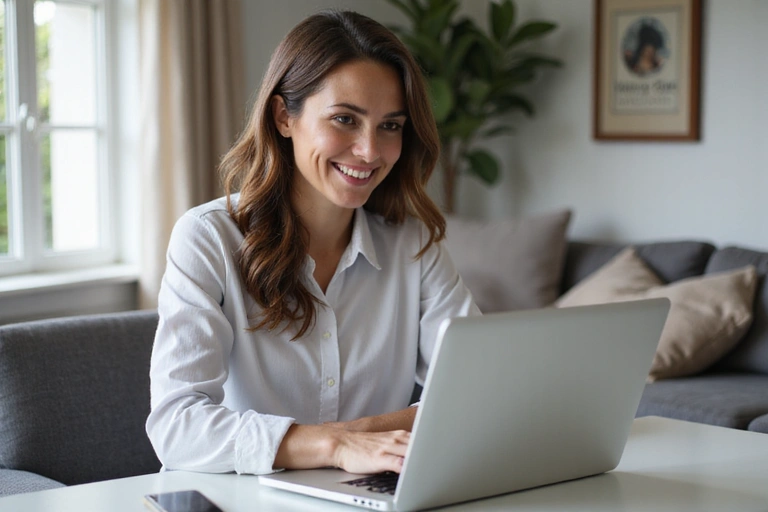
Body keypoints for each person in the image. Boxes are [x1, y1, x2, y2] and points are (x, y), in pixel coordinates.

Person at [146, 10, 479, 477]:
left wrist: (352, 437)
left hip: (364, 496)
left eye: (390, 126)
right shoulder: (208, 238)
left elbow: (476, 393)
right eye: (345, 119)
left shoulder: (412, 243)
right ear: (284, 116)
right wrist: (335, 445)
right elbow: (177, 427)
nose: (369, 150)